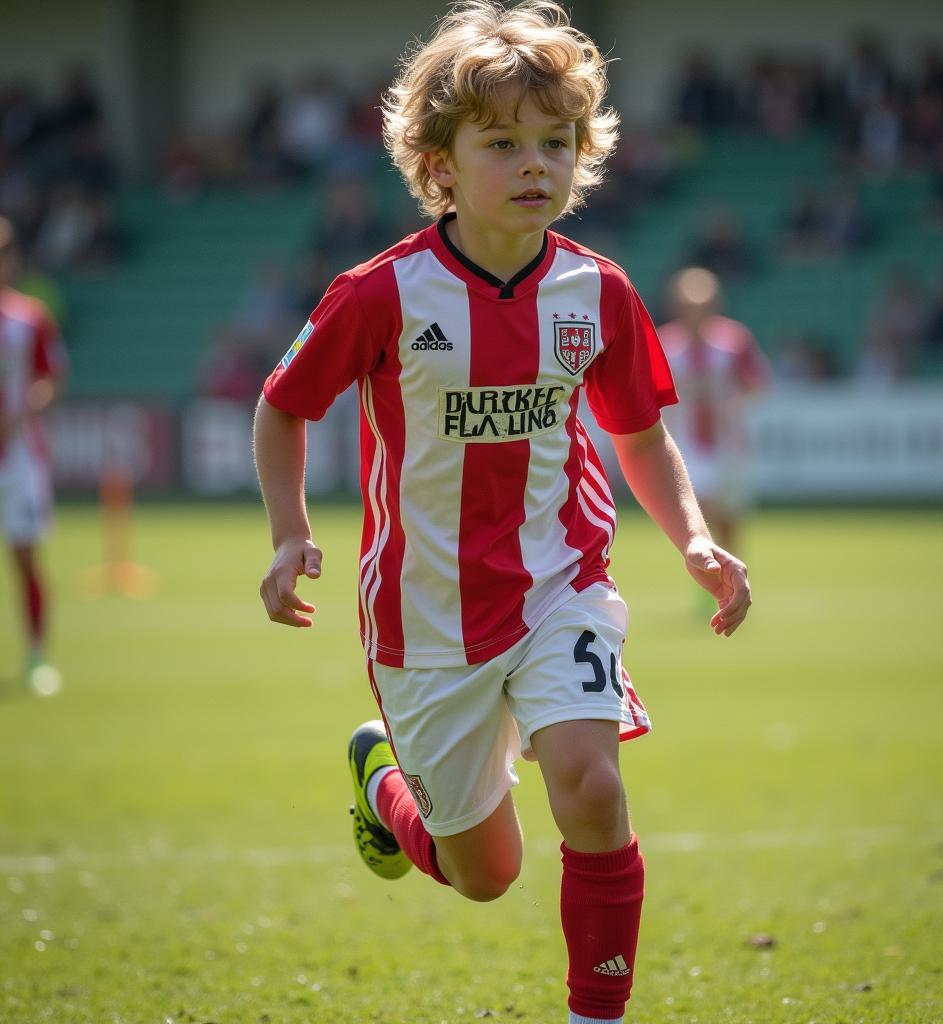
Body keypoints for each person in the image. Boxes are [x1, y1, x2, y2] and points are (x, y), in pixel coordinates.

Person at [253, 5, 752, 1024]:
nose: (536, 163)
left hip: (561, 584)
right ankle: (381, 773)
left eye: (555, 143)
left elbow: (640, 435)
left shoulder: (596, 290)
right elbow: (283, 404)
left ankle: (593, 1015)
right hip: (424, 615)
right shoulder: (380, 292)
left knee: (594, 788)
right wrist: (288, 531)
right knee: (485, 872)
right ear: (438, 163)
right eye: (502, 144)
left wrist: (693, 537)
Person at [657, 267, 770, 554]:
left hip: (728, 443)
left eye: (703, 306)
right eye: (689, 306)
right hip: (685, 444)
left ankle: (728, 576)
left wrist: (731, 404)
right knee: (702, 506)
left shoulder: (733, 340)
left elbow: (757, 383)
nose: (696, 313)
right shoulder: (665, 344)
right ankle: (709, 578)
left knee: (729, 519)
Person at [0, 217, 68, 695]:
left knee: (25, 555)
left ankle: (37, 656)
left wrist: (21, 413)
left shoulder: (29, 317)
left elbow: (51, 376)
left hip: (19, 457)